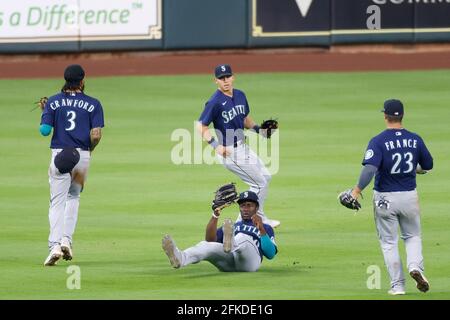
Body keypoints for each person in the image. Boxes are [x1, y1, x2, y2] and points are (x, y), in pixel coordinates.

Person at [344, 99, 433, 295]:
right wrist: (412, 168)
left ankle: (398, 286)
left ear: (385, 116)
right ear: (402, 116)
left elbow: (370, 169)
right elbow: (428, 165)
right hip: (409, 197)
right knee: (413, 236)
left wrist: (357, 190)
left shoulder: (378, 141)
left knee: (389, 242)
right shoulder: (415, 139)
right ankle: (415, 267)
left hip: (384, 198)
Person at [197, 64, 280, 228]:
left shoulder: (241, 95)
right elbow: (201, 126)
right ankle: (243, 223)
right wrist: (215, 145)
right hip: (229, 152)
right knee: (259, 184)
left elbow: (244, 118)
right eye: (221, 78)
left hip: (243, 147)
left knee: (266, 177)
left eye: (227, 76)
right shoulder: (214, 102)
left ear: (233, 77)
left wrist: (259, 131)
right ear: (216, 81)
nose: (225, 80)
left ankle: (258, 219)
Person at [39, 64, 104, 266]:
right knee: (73, 197)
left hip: (61, 156)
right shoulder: (94, 104)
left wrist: (46, 112)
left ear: (65, 79)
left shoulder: (54, 101)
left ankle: (54, 246)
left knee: (57, 201)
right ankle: (67, 239)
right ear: (82, 81)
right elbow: (96, 134)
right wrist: (89, 150)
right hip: (83, 157)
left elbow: (44, 130)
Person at [162, 191, 278, 272]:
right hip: (229, 263)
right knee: (205, 245)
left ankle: (232, 245)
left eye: (249, 205)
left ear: (257, 208)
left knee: (243, 237)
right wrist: (215, 215)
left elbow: (271, 254)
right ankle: (180, 258)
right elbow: (210, 240)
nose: (245, 209)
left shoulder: (266, 228)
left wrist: (261, 229)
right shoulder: (233, 226)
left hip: (250, 263)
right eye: (242, 206)